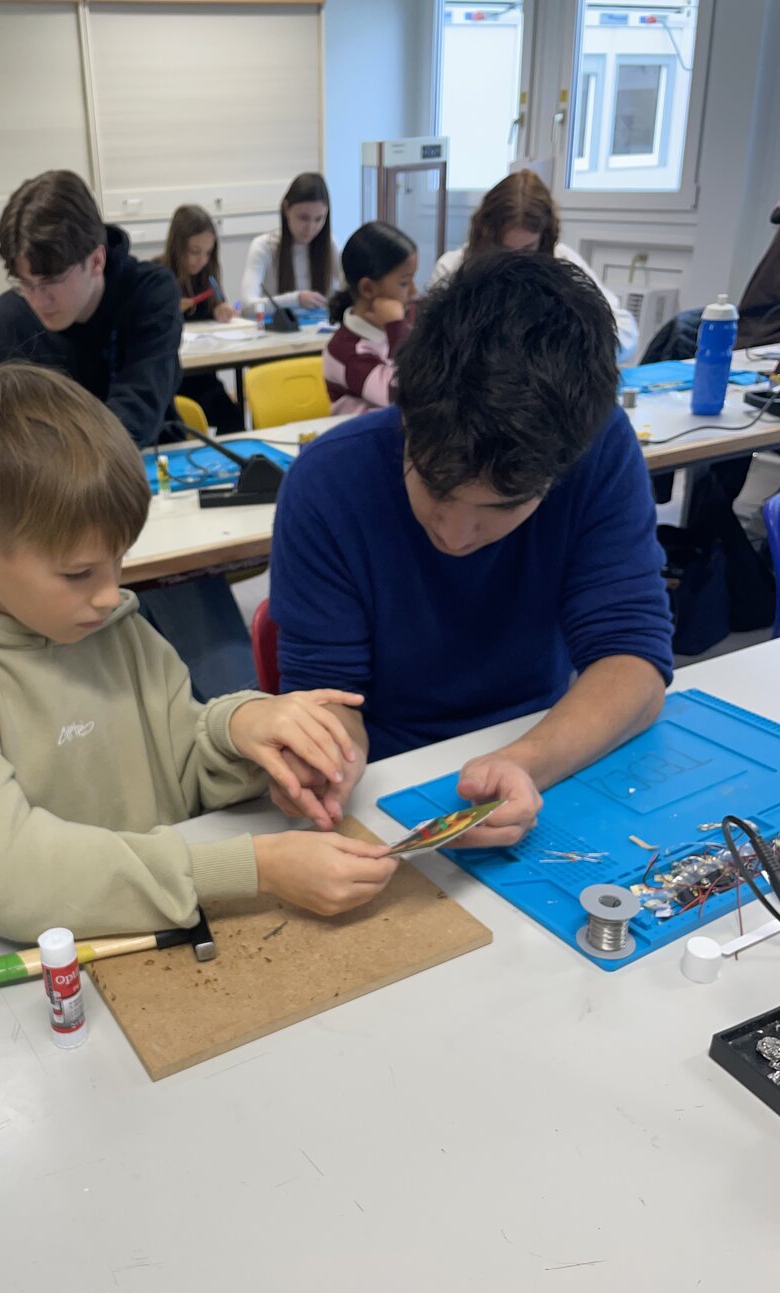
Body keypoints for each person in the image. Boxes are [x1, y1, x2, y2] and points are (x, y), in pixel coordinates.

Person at [0, 363, 398, 944]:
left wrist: (244, 734)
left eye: (118, 561)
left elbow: (180, 769)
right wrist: (254, 867)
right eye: (78, 573)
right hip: (9, 964)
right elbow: (9, 872)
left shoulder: (111, 628)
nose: (109, 593)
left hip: (150, 933)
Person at [269, 251, 673, 849]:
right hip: (384, 770)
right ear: (406, 415)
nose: (455, 536)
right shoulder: (328, 483)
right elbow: (328, 692)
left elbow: (632, 658)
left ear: (562, 469)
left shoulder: (599, 448)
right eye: (435, 488)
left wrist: (525, 761)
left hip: (549, 737)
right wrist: (324, 758)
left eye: (501, 507)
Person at [0, 170, 182, 449]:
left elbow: (137, 413)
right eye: (25, 283)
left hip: (140, 462)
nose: (38, 300)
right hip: (43, 471)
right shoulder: (9, 317)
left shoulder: (149, 294)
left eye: (51, 282)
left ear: (96, 261)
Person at [429, 169, 638, 361]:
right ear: (486, 236)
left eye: (528, 248)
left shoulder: (563, 260)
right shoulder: (452, 267)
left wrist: (569, 355)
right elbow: (433, 349)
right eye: (504, 249)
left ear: (544, 238)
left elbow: (625, 331)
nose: (516, 261)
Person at [156, 204, 244, 433]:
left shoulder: (207, 276)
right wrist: (167, 310)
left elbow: (217, 307)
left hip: (205, 378)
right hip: (172, 380)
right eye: (194, 251)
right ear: (177, 246)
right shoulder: (156, 275)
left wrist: (221, 310)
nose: (201, 260)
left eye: (208, 253)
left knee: (234, 421)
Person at [324, 222, 417, 415]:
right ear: (367, 288)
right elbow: (400, 396)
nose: (414, 291)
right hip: (361, 434)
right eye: (404, 283)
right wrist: (395, 327)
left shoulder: (405, 327)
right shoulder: (344, 350)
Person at [240, 173, 341, 317]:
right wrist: (296, 299)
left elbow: (350, 293)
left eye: (319, 219)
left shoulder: (331, 245)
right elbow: (247, 306)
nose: (311, 228)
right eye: (303, 218)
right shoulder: (264, 246)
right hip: (278, 330)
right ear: (286, 209)